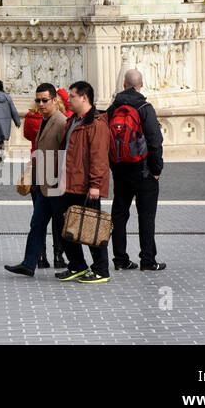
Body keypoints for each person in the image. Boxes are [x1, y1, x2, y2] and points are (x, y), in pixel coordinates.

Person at [5, 83, 68, 278]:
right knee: (37, 224)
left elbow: (66, 155)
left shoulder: (60, 122)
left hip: (55, 184)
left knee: (63, 225)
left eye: (44, 100)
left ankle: (77, 263)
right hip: (43, 184)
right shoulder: (45, 120)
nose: (40, 104)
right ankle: (29, 263)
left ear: (54, 100)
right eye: (38, 100)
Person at [108, 70, 166, 271]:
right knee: (146, 216)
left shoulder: (114, 107)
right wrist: (156, 169)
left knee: (119, 215)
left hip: (120, 170)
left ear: (124, 84)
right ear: (141, 84)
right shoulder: (144, 107)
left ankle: (120, 259)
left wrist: (113, 164)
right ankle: (148, 260)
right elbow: (155, 141)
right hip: (143, 171)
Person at [55, 81, 111, 284]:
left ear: (84, 98)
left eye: (72, 96)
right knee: (63, 224)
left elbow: (99, 157)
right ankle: (77, 265)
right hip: (70, 183)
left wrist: (95, 185)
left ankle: (101, 270)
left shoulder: (96, 124)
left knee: (91, 227)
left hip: (87, 186)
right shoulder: (73, 122)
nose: (68, 99)